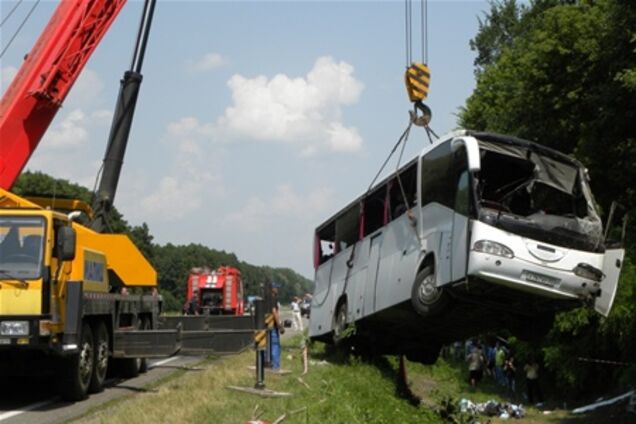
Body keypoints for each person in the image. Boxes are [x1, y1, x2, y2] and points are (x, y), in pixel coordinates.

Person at [269, 282, 284, 371]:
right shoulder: (273, 299)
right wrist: (279, 325)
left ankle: (267, 365)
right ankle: (276, 367)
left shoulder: (266, 299)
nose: (278, 289)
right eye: (276, 288)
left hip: (266, 326)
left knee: (267, 346)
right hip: (273, 326)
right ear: (272, 289)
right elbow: (274, 312)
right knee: (275, 346)